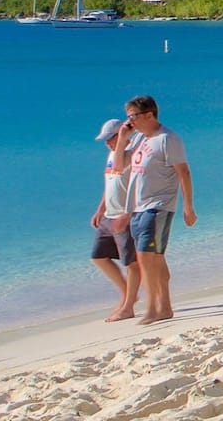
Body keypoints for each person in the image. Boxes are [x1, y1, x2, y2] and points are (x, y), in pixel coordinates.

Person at [123, 95, 197, 325]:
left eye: (133, 117)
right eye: (128, 117)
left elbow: (183, 172)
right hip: (137, 206)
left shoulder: (168, 139)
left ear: (149, 115)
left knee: (146, 257)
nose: (129, 122)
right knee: (155, 259)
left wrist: (188, 206)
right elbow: (119, 165)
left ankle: (153, 308)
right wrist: (121, 139)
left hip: (159, 206)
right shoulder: (137, 139)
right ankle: (164, 307)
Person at [89, 119, 142, 322]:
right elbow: (109, 184)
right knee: (98, 256)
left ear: (120, 135)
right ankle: (127, 294)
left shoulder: (133, 153)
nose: (106, 143)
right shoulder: (111, 155)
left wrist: (128, 213)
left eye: (109, 138)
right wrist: (99, 210)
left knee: (132, 262)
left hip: (125, 215)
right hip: (109, 215)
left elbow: (137, 185)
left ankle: (128, 305)